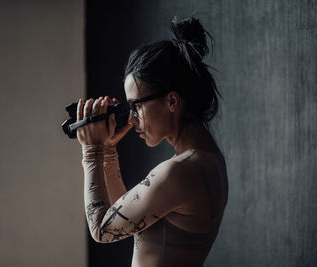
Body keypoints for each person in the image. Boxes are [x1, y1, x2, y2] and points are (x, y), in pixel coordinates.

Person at [76, 14, 228, 267]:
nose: (133, 119)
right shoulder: (207, 160)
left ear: (171, 101)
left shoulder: (179, 172)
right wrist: (109, 153)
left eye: (137, 106)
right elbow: (124, 219)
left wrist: (91, 151)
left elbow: (102, 230)